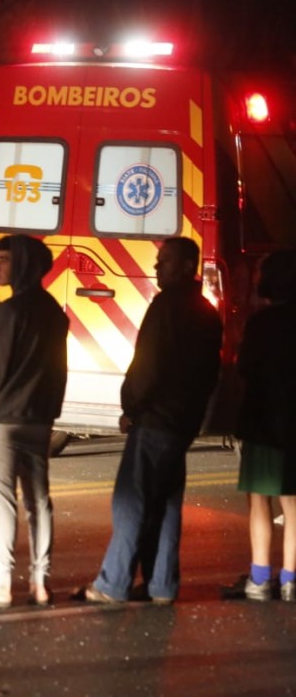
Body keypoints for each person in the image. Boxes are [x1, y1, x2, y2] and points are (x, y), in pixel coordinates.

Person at [85, 236, 222, 606]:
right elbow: (210, 373)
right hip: (182, 421)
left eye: (166, 260)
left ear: (187, 266)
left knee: (131, 500)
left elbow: (149, 365)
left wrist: (131, 407)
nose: (157, 265)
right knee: (167, 503)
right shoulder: (207, 313)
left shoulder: (166, 307)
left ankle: (113, 582)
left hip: (155, 418)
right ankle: (161, 584)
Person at [0, 235, 68, 606]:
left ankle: (2, 581)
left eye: (5, 259)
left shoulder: (9, 312)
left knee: (1, 503)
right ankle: (40, 582)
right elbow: (59, 370)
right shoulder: (54, 312)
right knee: (39, 501)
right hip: (38, 418)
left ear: (22, 264)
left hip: (1, 419)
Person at [233, 248, 296, 601]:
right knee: (293, 503)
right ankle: (290, 580)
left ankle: (259, 578)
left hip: (262, 421)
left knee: (260, 499)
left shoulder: (261, 323)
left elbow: (245, 368)